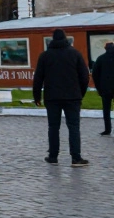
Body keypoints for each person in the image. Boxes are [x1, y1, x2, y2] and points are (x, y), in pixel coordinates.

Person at [32, 28, 91, 166]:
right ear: (65, 39)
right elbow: (84, 76)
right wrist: (80, 93)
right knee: (74, 127)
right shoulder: (75, 54)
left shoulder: (45, 56)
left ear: (52, 39)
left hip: (52, 97)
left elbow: (38, 78)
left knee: (53, 127)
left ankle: (53, 156)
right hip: (72, 97)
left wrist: (37, 97)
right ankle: (76, 158)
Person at [94, 42, 114, 136]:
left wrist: (99, 87)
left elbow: (95, 74)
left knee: (106, 110)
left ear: (105, 48)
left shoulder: (100, 59)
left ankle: (107, 129)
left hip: (105, 88)